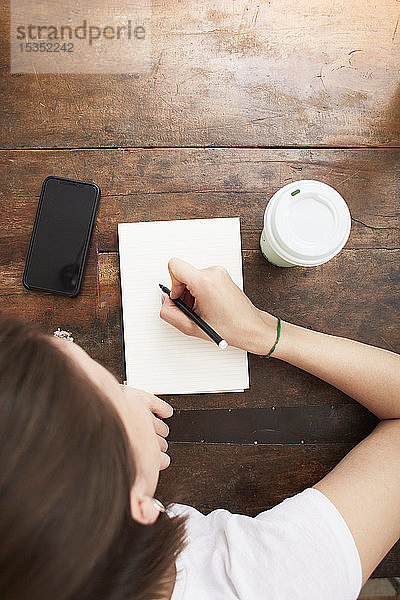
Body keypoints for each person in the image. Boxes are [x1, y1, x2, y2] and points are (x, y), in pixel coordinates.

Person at [1, 257, 399, 600]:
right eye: (111, 387)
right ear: (139, 509)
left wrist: (105, 437)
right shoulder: (269, 584)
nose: (126, 390)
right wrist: (265, 331)